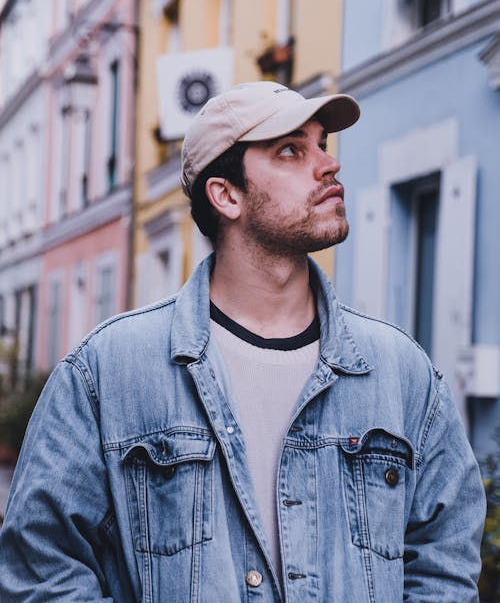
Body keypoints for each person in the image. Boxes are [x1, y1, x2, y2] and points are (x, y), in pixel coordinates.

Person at [0, 81, 485, 603]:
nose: (328, 164)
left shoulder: (401, 372)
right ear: (226, 195)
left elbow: (444, 564)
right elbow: (40, 569)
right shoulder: (106, 372)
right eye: (291, 150)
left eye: (323, 143)